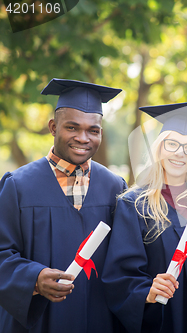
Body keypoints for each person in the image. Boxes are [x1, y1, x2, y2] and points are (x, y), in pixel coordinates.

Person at [0, 78, 127, 333]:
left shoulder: (115, 187)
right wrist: (33, 278)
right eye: (72, 127)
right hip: (40, 322)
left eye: (93, 130)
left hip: (100, 318)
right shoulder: (18, 185)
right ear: (53, 127)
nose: (83, 138)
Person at [102, 102, 187, 333]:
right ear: (159, 148)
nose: (180, 152)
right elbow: (120, 275)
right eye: (172, 143)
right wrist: (147, 292)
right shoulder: (134, 204)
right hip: (164, 319)